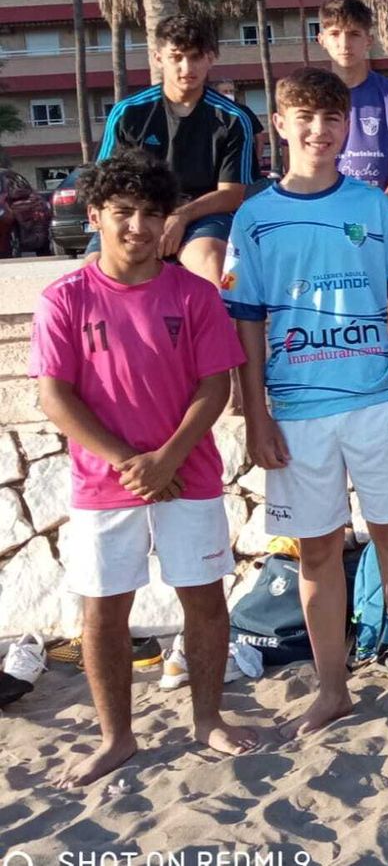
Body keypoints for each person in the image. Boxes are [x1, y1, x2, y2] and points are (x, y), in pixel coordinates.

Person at [224, 67, 388, 732]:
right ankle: (333, 689)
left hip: (378, 401)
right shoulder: (255, 216)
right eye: (304, 117)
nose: (319, 130)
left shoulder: (370, 206)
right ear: (279, 125)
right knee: (317, 552)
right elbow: (244, 321)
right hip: (298, 412)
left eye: (332, 118)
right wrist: (257, 413)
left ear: (347, 127)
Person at [30, 151, 262, 786]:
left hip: (187, 474)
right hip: (106, 485)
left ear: (167, 221)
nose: (137, 226)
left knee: (204, 601)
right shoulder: (65, 298)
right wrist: (131, 464)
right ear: (98, 215)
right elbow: (56, 396)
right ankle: (116, 738)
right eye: (123, 212)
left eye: (150, 213)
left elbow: (216, 384)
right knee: (103, 610)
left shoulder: (191, 293)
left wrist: (168, 458)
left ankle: (208, 719)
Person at [95, 14, 257, 285]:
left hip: (202, 217)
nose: (186, 67)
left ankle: (219, 327)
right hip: (136, 213)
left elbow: (232, 194)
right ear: (158, 57)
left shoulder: (233, 119)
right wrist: (144, 220)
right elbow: (104, 185)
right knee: (93, 273)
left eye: (195, 57)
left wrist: (180, 216)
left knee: (214, 267)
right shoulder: (127, 113)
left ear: (210, 58)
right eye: (177, 57)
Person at [318, 0, 388, 211]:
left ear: (369, 40)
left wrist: (372, 209)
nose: (345, 43)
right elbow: (296, 166)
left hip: (380, 212)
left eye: (354, 34)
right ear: (322, 40)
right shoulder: (310, 97)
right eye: (335, 34)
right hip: (325, 214)